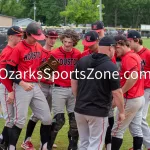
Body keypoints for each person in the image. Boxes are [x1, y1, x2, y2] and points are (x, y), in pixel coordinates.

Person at [71, 36, 125, 150]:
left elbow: (74, 82)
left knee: (84, 142)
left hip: (80, 109)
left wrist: (78, 98)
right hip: (98, 112)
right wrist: (121, 112)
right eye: (114, 48)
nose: (114, 51)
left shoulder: (83, 60)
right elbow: (117, 92)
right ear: (110, 48)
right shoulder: (111, 66)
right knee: (95, 144)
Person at [5, 22, 52, 150]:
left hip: (35, 86)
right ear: (28, 34)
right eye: (35, 36)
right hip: (22, 86)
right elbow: (8, 71)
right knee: (19, 121)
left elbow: (44, 61)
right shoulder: (18, 48)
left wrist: (49, 74)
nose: (38, 39)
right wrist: (21, 83)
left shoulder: (37, 45)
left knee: (47, 118)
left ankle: (45, 146)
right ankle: (11, 147)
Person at [21, 30, 58, 150]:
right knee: (36, 115)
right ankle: (26, 140)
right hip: (41, 85)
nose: (53, 40)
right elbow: (35, 70)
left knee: (47, 115)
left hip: (52, 86)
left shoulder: (54, 53)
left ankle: (45, 141)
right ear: (45, 37)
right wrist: (41, 78)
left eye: (55, 38)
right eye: (51, 37)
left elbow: (52, 71)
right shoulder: (40, 50)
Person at [47, 29, 81, 150]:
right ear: (62, 40)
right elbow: (46, 72)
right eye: (65, 41)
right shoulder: (56, 53)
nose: (67, 44)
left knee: (74, 120)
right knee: (59, 120)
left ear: (74, 42)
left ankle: (72, 145)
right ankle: (48, 145)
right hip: (59, 89)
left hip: (73, 90)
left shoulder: (77, 54)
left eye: (70, 42)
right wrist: (53, 77)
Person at [111, 35, 145, 150]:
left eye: (116, 48)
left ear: (120, 45)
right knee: (136, 129)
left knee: (116, 131)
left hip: (130, 98)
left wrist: (120, 93)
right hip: (139, 97)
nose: (115, 51)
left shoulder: (128, 57)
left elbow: (133, 76)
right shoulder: (135, 55)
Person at [0, 26, 23, 150]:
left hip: (13, 87)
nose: (20, 38)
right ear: (10, 36)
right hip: (6, 87)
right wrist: (10, 91)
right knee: (10, 119)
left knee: (13, 119)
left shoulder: (15, 50)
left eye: (21, 35)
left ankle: (4, 143)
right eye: (17, 36)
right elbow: (3, 74)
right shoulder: (7, 51)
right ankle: (5, 145)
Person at [127, 30, 150, 150]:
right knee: (135, 119)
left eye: (130, 41)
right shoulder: (131, 53)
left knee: (140, 118)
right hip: (136, 90)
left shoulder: (147, 53)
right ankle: (138, 144)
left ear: (136, 40)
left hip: (146, 89)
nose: (128, 43)